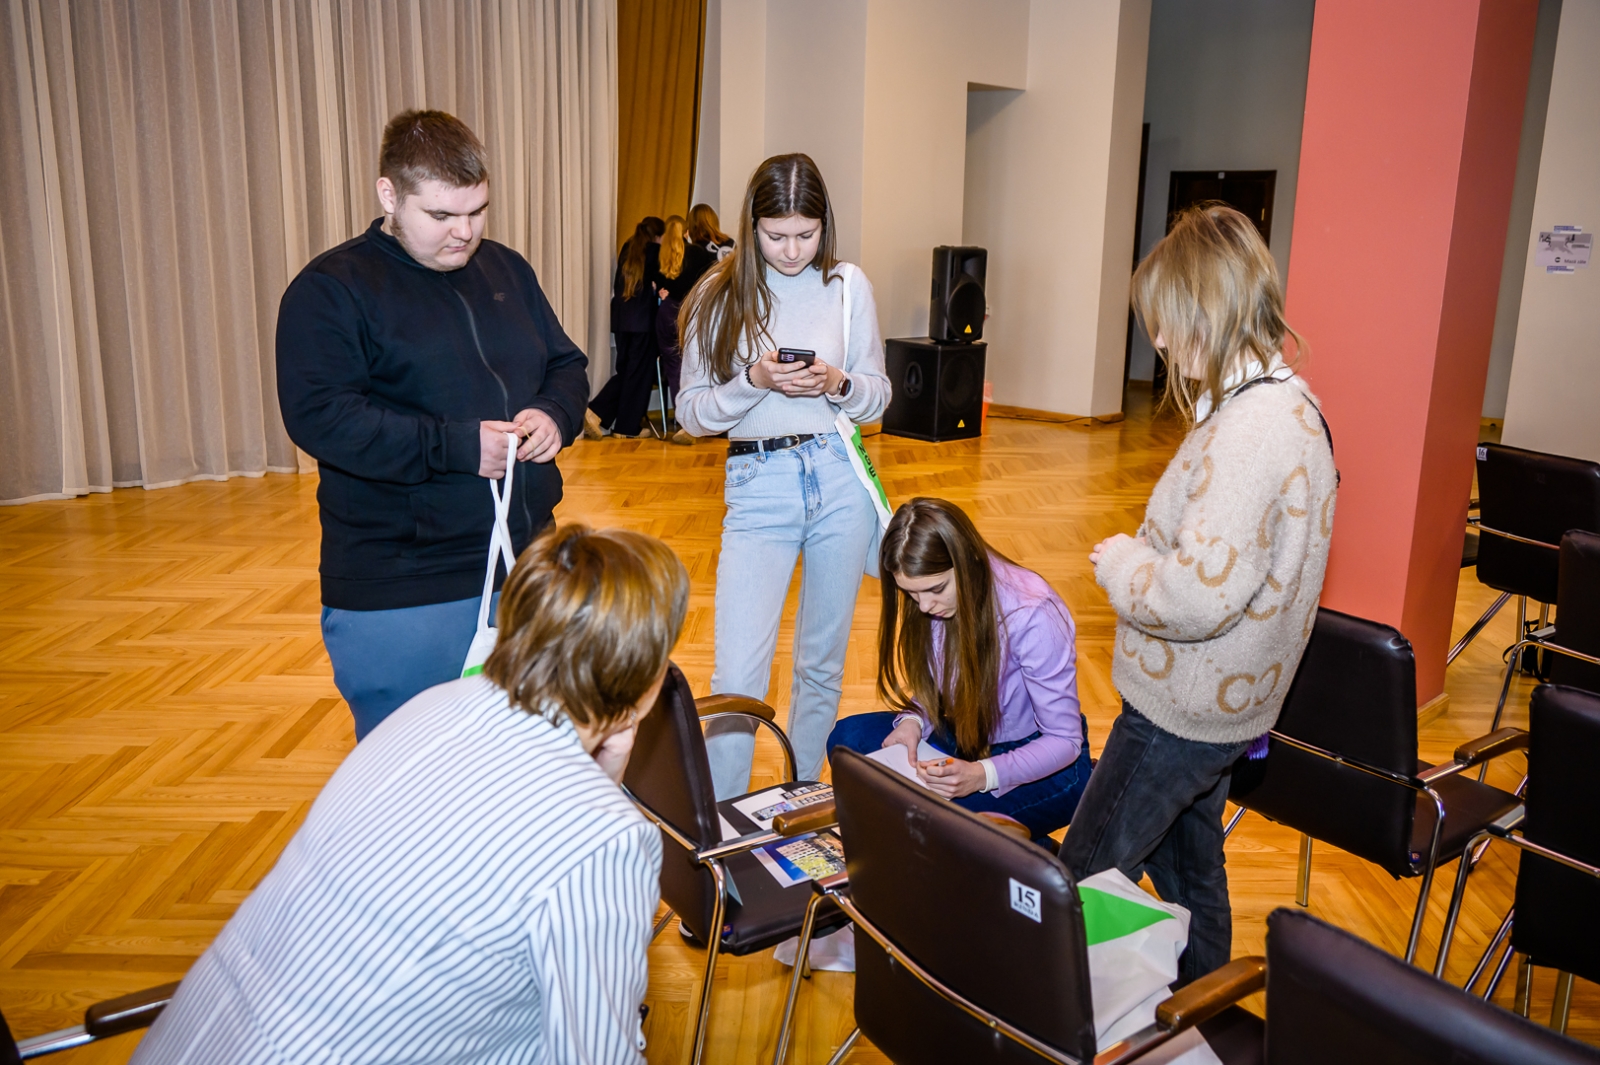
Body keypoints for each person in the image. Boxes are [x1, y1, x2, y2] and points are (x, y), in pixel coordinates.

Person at [130, 524, 688, 1064]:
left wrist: (603, 775)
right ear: (644, 677)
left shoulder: (429, 705)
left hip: (195, 1035)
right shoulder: (605, 841)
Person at [1060, 204, 1337, 985]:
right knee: (1191, 875)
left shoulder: (1250, 435)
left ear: (1205, 313)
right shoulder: (1286, 405)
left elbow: (1191, 596)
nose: (1160, 341)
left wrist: (1121, 565)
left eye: (1167, 322)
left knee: (1079, 877)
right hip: (1229, 706)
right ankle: (1199, 1019)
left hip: (1182, 705)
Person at [276, 109, 589, 740]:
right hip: (405, 585)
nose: (465, 233)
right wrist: (457, 446)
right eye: (442, 216)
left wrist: (555, 413)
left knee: (522, 771)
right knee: (412, 789)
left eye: (477, 212)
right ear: (389, 195)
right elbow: (322, 417)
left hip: (526, 567)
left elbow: (566, 364)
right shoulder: (332, 289)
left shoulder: (507, 269)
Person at [677, 153, 891, 798]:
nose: (793, 250)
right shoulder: (719, 291)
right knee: (739, 674)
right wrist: (754, 381)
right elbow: (691, 415)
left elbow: (877, 397)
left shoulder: (849, 285)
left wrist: (838, 382)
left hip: (838, 478)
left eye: (807, 233)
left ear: (826, 224)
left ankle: (797, 805)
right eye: (777, 236)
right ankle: (725, 827)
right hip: (758, 484)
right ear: (752, 226)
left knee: (822, 666)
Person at [827, 498, 1092, 844]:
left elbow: (1064, 741)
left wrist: (981, 775)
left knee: (935, 829)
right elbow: (936, 686)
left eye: (935, 590)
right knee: (847, 741)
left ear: (967, 563)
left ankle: (1028, 859)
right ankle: (1012, 846)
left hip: (1047, 765)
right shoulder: (932, 601)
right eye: (911, 594)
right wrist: (913, 721)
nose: (924, 606)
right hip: (968, 739)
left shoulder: (1033, 614)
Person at [586, 216, 665, 439]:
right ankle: (620, 424)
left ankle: (604, 415)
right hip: (643, 322)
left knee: (628, 372)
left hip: (622, 319)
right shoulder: (655, 252)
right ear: (658, 236)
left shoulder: (629, 247)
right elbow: (664, 279)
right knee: (639, 374)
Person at [655, 214, 720, 445]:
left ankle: (683, 423)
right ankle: (697, 423)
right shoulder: (698, 253)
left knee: (673, 368)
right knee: (695, 367)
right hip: (691, 312)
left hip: (667, 312)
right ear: (685, 232)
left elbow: (657, 286)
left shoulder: (659, 254)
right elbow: (713, 278)